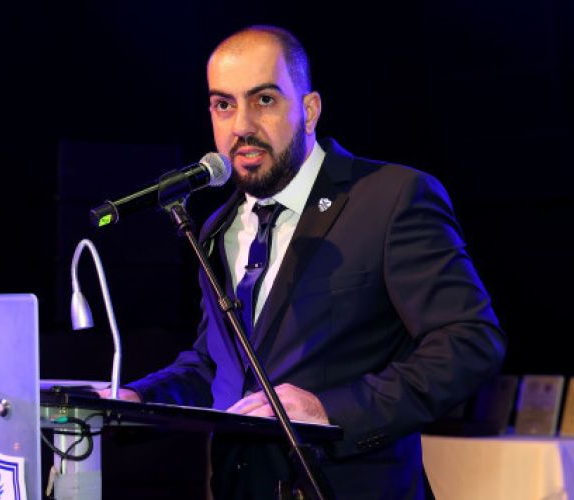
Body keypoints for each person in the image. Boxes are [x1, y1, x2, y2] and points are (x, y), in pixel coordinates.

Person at [101, 25, 506, 498]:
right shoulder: (217, 228)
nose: (242, 126)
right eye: (223, 104)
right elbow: (219, 364)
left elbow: (470, 342)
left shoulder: (390, 198)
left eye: (264, 100)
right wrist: (140, 397)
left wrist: (330, 411)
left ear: (309, 110)